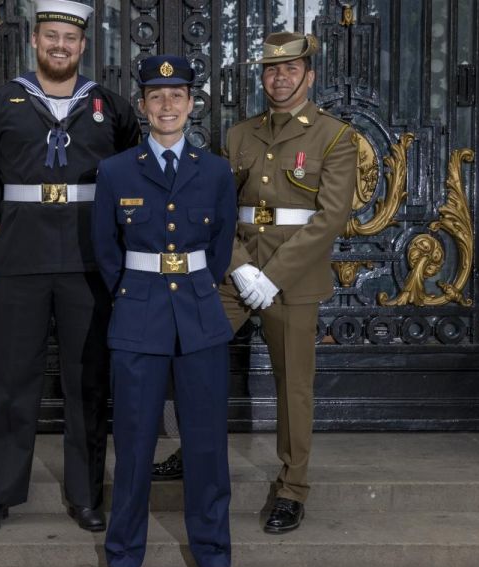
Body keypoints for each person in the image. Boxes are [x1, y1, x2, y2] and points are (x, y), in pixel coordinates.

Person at [151, 31, 357, 534]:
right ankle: (194, 448)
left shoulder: (334, 136)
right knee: (194, 354)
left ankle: (292, 487)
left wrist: (274, 276)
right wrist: (240, 265)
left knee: (294, 385)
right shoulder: (241, 134)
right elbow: (222, 207)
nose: (279, 77)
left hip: (294, 276)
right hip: (236, 268)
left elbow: (330, 218)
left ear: (308, 76)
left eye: (289, 70)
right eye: (270, 70)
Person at [0, 0, 140, 536]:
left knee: (88, 381)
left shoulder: (110, 106)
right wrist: (13, 216)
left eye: (70, 37)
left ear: (83, 46)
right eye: (51, 36)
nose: (60, 45)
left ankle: (87, 495)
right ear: (35, 41)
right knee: (13, 381)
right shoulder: (0, 103)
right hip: (23, 257)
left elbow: (131, 167)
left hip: (89, 259)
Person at [92, 56, 243, 567]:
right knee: (133, 446)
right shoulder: (116, 172)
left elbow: (220, 247)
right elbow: (107, 253)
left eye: (177, 95)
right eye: (156, 96)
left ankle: (215, 560)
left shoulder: (217, 170)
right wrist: (135, 295)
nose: (167, 105)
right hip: (139, 317)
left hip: (200, 318)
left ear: (192, 104)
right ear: (143, 105)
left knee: (206, 447)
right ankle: (122, 562)